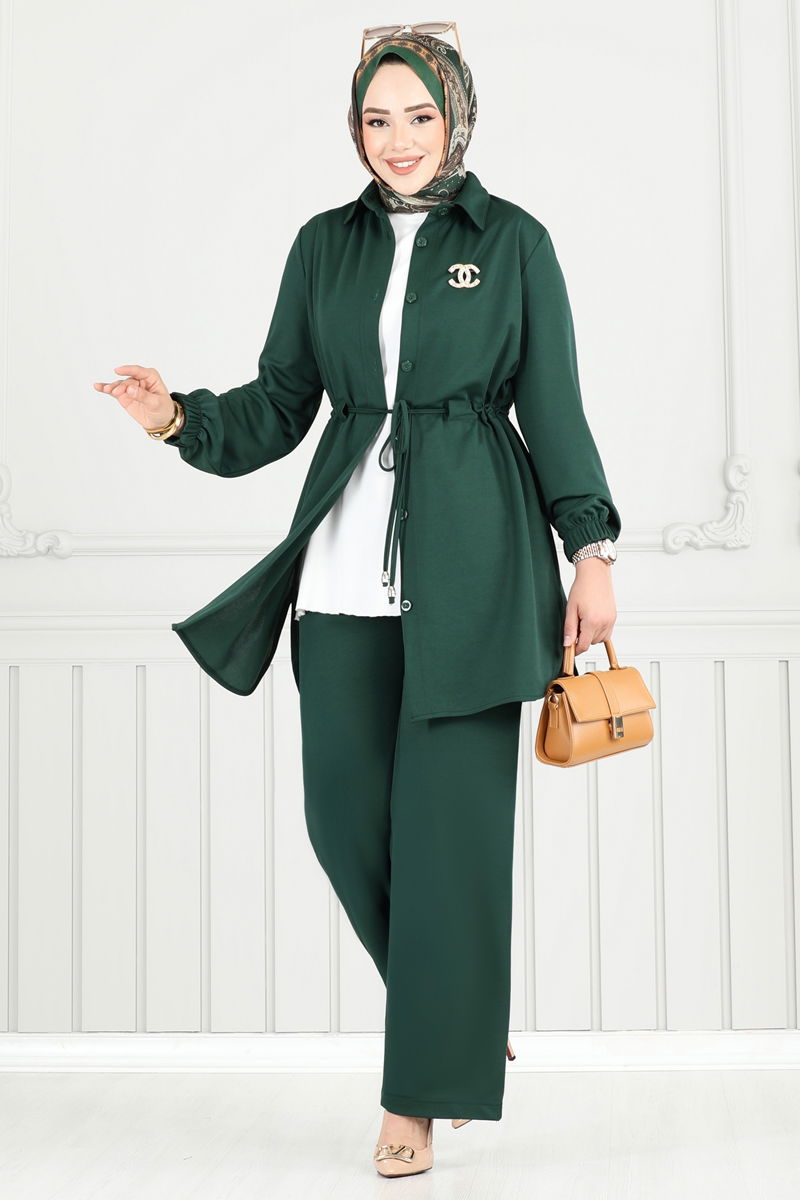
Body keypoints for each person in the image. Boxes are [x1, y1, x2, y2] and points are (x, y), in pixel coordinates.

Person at [93, 23, 621, 1178]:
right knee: (341, 826)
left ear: (455, 117)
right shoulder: (321, 246)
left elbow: (554, 405)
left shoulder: (513, 241)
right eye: (376, 119)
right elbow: (282, 402)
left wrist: (590, 549)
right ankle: (458, 1021)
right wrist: (177, 417)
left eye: (417, 116)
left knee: (449, 845)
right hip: (338, 578)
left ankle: (416, 1097)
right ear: (354, 127)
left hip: (474, 573)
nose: (397, 139)